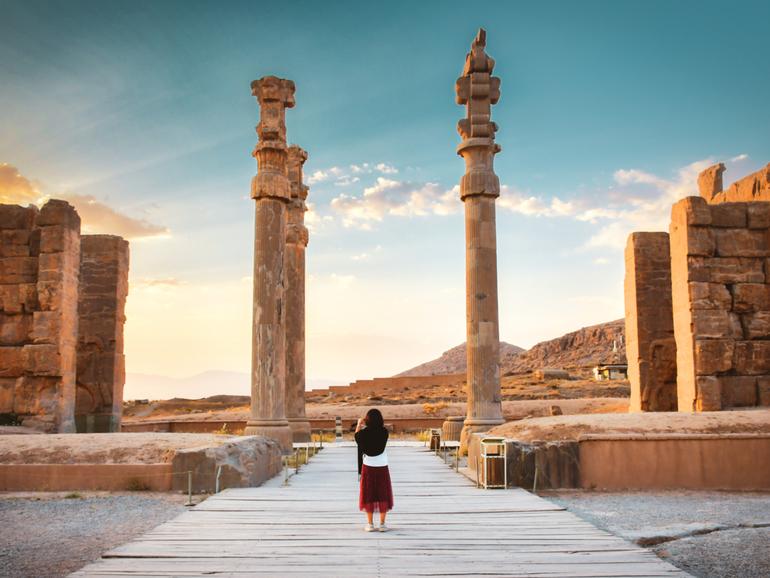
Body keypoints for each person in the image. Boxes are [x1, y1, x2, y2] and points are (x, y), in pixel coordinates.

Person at [354, 408, 394, 532]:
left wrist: (359, 424)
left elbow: (357, 437)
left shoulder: (363, 433)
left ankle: (370, 524)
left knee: (368, 494)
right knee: (383, 494)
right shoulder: (384, 432)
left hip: (368, 466)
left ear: (367, 420)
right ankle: (382, 524)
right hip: (382, 465)